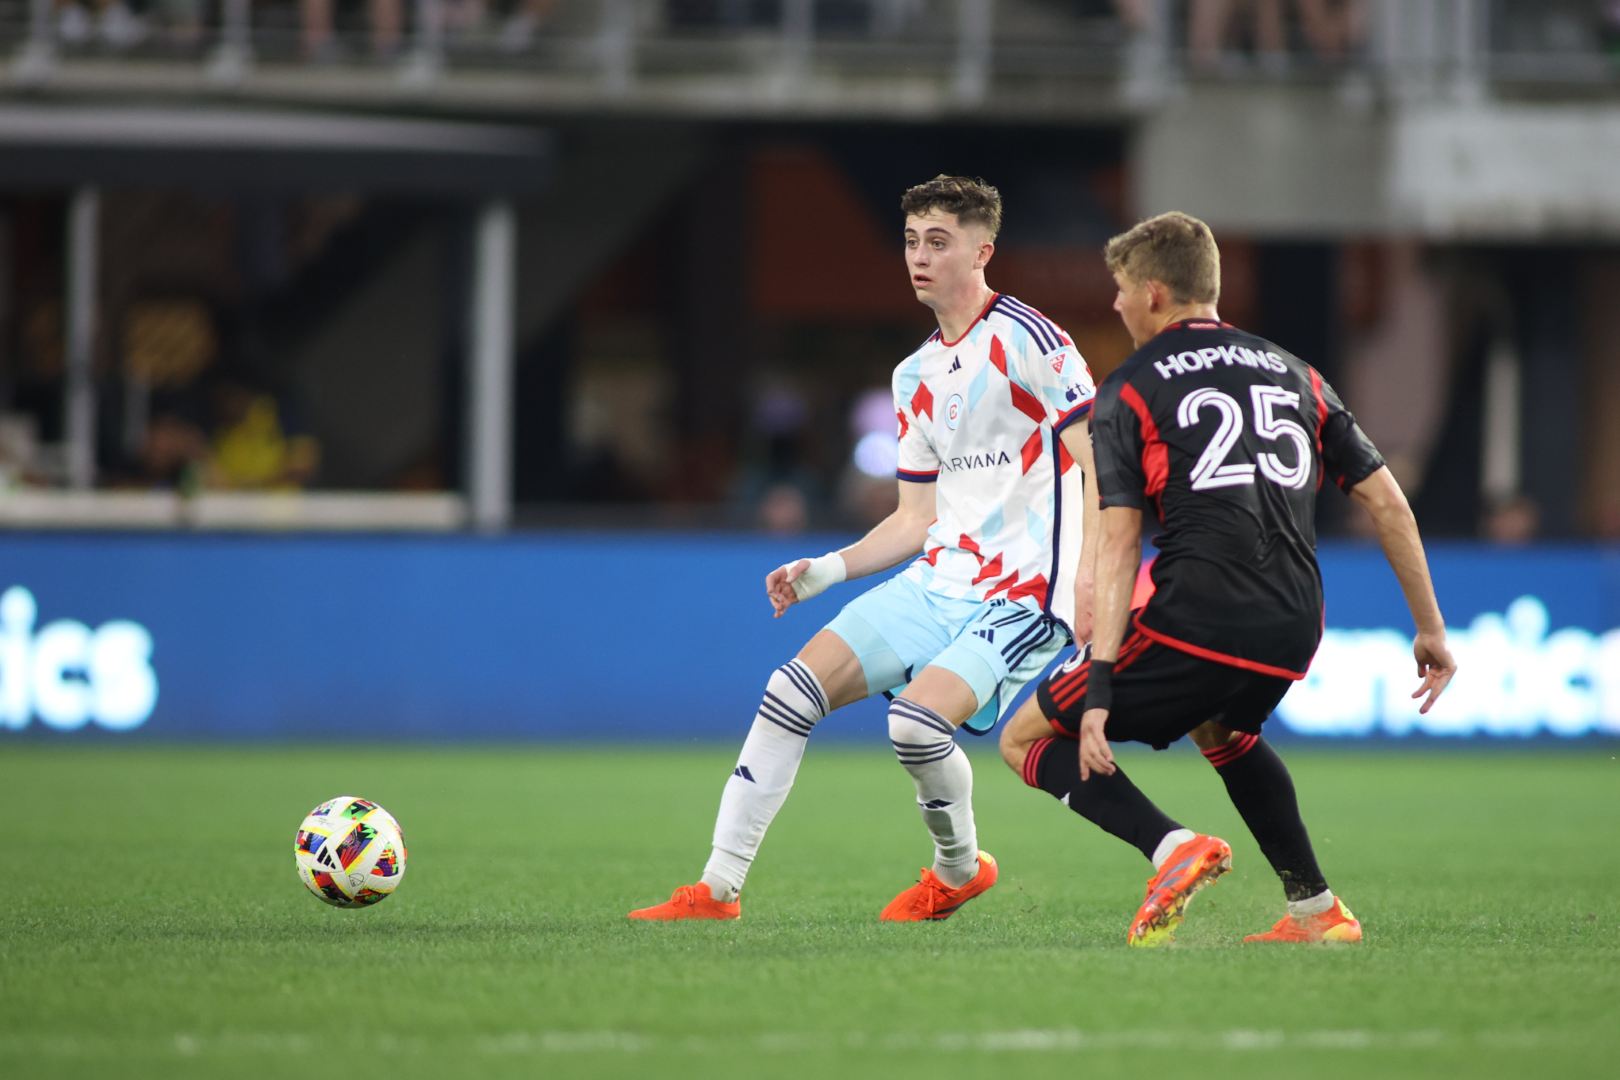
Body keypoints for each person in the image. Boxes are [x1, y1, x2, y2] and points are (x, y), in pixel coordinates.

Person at [629, 175, 1100, 922]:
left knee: (914, 724)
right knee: (789, 692)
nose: (919, 256)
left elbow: (1104, 466)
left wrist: (1093, 581)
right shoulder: (913, 373)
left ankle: (958, 868)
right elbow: (914, 519)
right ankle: (716, 892)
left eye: (938, 241)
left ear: (984, 250)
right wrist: (825, 570)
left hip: (1024, 593)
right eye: (912, 240)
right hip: (939, 578)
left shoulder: (1031, 341)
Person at [998, 211, 1457, 947]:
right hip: (1294, 622)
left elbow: (1119, 541)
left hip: (1198, 615)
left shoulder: (1129, 389)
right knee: (1225, 727)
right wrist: (1430, 628)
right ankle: (1319, 912)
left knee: (1025, 737)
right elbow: (1386, 501)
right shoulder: (1296, 371)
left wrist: (1102, 685)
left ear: (1153, 293)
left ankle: (1173, 848)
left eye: (1119, 290)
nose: (1114, 305)